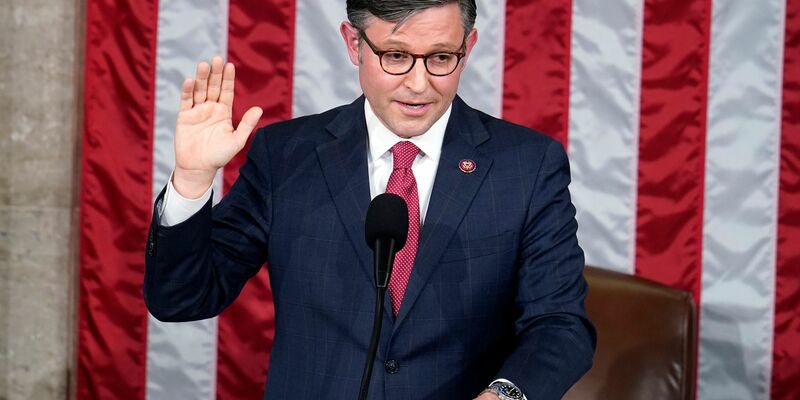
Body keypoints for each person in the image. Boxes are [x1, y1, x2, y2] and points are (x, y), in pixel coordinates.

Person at [143, 1, 596, 399]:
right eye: (396, 56)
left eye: (441, 57)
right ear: (353, 43)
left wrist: (505, 397)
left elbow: (559, 325)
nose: (418, 85)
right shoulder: (286, 157)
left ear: (469, 46)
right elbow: (182, 299)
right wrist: (192, 180)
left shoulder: (526, 165)